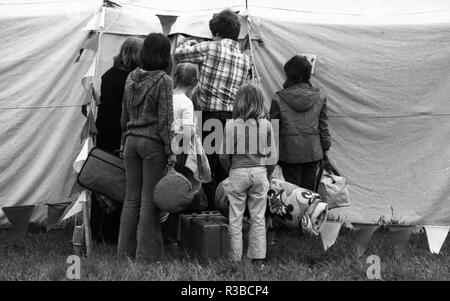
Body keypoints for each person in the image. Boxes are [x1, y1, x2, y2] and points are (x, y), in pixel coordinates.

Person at [173, 9, 250, 209]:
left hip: (210, 117)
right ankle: (227, 213)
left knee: (206, 168)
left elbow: (179, 54)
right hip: (233, 119)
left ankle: (209, 216)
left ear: (216, 33)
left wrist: (188, 41)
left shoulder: (210, 48)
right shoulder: (245, 59)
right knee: (227, 168)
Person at [117, 33, 176, 261]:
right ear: (164, 54)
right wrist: (171, 150)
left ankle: (124, 252)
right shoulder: (164, 80)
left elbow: (124, 114)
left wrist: (123, 141)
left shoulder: (131, 77)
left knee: (131, 199)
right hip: (152, 144)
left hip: (131, 140)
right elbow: (165, 119)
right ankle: (146, 255)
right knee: (149, 200)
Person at [91, 37, 142, 245]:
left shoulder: (109, 74)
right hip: (118, 132)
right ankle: (111, 233)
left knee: (102, 179)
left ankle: (96, 229)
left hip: (103, 129)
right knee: (119, 181)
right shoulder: (129, 79)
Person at [219, 84, 278, 264]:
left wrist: (230, 169)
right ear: (260, 103)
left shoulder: (230, 125)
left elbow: (222, 155)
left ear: (239, 102)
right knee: (258, 217)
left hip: (238, 171)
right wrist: (267, 175)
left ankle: (235, 258)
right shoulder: (266, 125)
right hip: (259, 172)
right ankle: (258, 258)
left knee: (235, 217)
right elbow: (273, 157)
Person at [269, 55, 331, 191]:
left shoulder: (278, 98)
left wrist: (270, 158)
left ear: (289, 74)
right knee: (309, 194)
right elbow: (323, 126)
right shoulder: (320, 96)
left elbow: (273, 132)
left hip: (288, 154)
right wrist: (325, 148)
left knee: (292, 195)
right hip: (313, 152)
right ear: (308, 74)